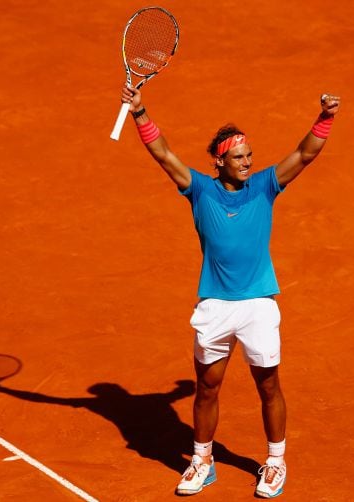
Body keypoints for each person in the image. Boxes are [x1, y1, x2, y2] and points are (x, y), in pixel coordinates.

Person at [119, 84, 340, 498]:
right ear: (219, 161)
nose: (247, 163)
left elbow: (305, 154)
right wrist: (140, 112)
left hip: (257, 304)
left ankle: (275, 461)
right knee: (207, 387)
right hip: (216, 305)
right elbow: (164, 155)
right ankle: (202, 459)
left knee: (269, 385)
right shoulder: (200, 190)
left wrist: (325, 116)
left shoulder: (265, 187)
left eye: (249, 156)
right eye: (238, 157)